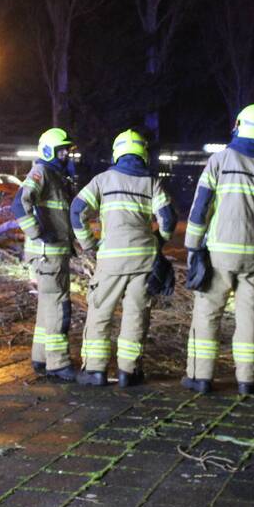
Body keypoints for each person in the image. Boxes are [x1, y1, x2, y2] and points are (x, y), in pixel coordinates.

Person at [182, 103, 254, 395]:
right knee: (250, 317)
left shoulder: (220, 160)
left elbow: (201, 207)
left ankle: (199, 377)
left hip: (219, 255)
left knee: (207, 314)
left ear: (240, 126)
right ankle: (248, 380)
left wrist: (192, 246)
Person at [71, 129, 176, 387]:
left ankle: (95, 371)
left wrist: (89, 244)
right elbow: (169, 219)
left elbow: (77, 210)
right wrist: (157, 242)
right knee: (136, 314)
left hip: (111, 261)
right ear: (143, 153)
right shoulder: (152, 183)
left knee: (100, 312)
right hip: (143, 260)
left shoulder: (103, 180)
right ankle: (129, 372)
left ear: (117, 152)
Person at [11, 128, 78, 382]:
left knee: (47, 306)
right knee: (59, 307)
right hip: (47, 254)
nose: (66, 154)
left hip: (50, 254)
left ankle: (40, 358)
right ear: (49, 151)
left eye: (67, 150)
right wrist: (38, 233)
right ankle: (58, 364)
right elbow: (19, 203)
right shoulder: (42, 172)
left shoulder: (54, 175)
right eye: (62, 150)